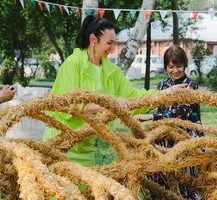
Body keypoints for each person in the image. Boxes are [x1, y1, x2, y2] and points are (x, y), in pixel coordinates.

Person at [43, 15, 186, 167]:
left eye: (114, 43)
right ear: (93, 39)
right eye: (109, 43)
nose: (113, 48)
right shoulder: (72, 64)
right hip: (61, 143)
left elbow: (134, 97)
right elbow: (71, 104)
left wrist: (163, 94)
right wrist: (111, 103)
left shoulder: (111, 70)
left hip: (87, 145)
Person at [134, 45, 204, 199]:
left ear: (185, 65)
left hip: (186, 137)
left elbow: (180, 113)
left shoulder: (191, 86)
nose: (175, 70)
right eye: (171, 66)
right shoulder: (162, 85)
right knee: (164, 176)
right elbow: (161, 110)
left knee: (185, 177)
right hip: (165, 137)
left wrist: (151, 117)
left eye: (179, 66)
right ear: (166, 67)